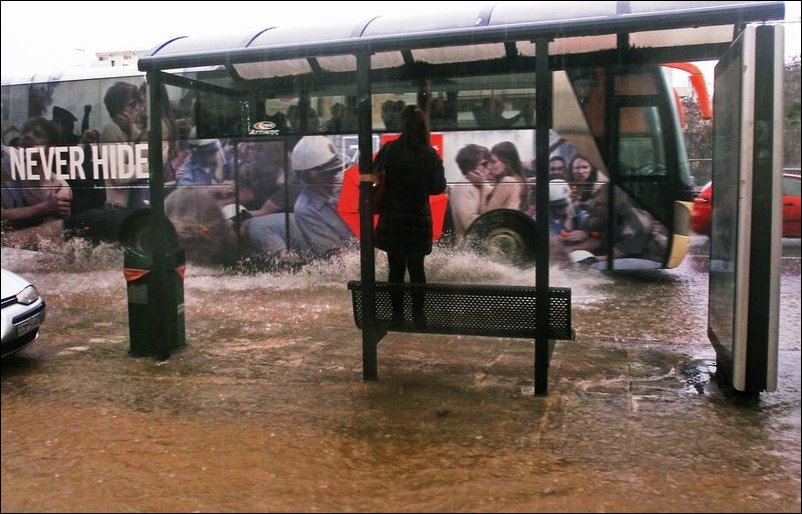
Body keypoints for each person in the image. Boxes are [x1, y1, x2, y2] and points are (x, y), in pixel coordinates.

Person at [374, 105, 446, 327]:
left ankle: (397, 316)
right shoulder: (429, 154)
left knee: (395, 269)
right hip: (418, 219)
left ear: (402, 125)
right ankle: (419, 315)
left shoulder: (390, 150)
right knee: (416, 269)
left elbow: (375, 171)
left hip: (394, 219)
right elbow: (438, 187)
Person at [1, 117, 72, 232]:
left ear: (51, 148)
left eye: (37, 134)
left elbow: (46, 234)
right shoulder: (13, 160)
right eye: (24, 133)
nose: (27, 136)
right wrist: (45, 206)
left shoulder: (59, 188)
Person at [450, 143, 490, 239]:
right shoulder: (463, 186)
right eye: (484, 164)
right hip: (468, 248)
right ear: (471, 166)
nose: (488, 167)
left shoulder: (481, 185)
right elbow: (470, 224)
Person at [485, 141, 527, 212]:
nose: (489, 166)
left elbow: (487, 213)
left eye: (493, 162)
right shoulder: (518, 179)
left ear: (507, 163)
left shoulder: (508, 181)